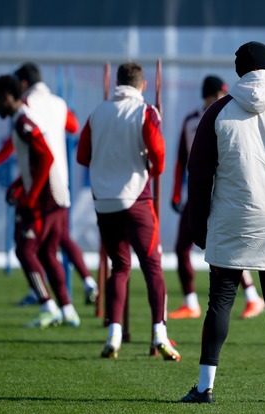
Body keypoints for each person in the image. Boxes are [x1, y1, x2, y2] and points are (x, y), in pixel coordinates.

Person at [180, 41, 265, 404]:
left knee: (220, 304)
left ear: (239, 70)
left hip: (229, 221)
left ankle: (205, 387)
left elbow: (198, 173)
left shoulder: (217, 112)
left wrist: (197, 224)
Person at [76, 62, 180, 361]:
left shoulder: (97, 112)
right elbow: (158, 151)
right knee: (152, 267)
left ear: (117, 83)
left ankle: (114, 334)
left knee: (118, 267)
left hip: (104, 201)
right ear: (143, 85)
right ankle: (159, 332)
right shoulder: (146, 111)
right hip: (136, 198)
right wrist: (153, 170)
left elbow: (83, 156)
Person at [0, 62, 99, 305]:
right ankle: (84, 284)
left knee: (30, 247)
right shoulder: (59, 102)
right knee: (59, 237)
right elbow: (73, 127)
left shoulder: (26, 106)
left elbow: (19, 139)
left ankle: (47, 300)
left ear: (20, 85)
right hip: (60, 178)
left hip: (40, 181)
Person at [0, 75, 80, 328]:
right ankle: (68, 310)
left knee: (25, 250)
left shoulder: (23, 122)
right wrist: (18, 186)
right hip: (55, 192)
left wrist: (30, 195)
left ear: (7, 97)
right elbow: (35, 162)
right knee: (48, 253)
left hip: (47, 196)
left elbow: (47, 157)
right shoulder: (23, 120)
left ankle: (47, 306)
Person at [169, 75, 265, 320]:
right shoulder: (191, 121)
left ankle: (253, 297)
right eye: (219, 94)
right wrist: (176, 193)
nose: (223, 98)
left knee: (227, 248)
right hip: (198, 193)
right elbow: (181, 159)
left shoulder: (230, 116)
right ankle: (191, 302)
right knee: (181, 247)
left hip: (223, 192)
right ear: (209, 96)